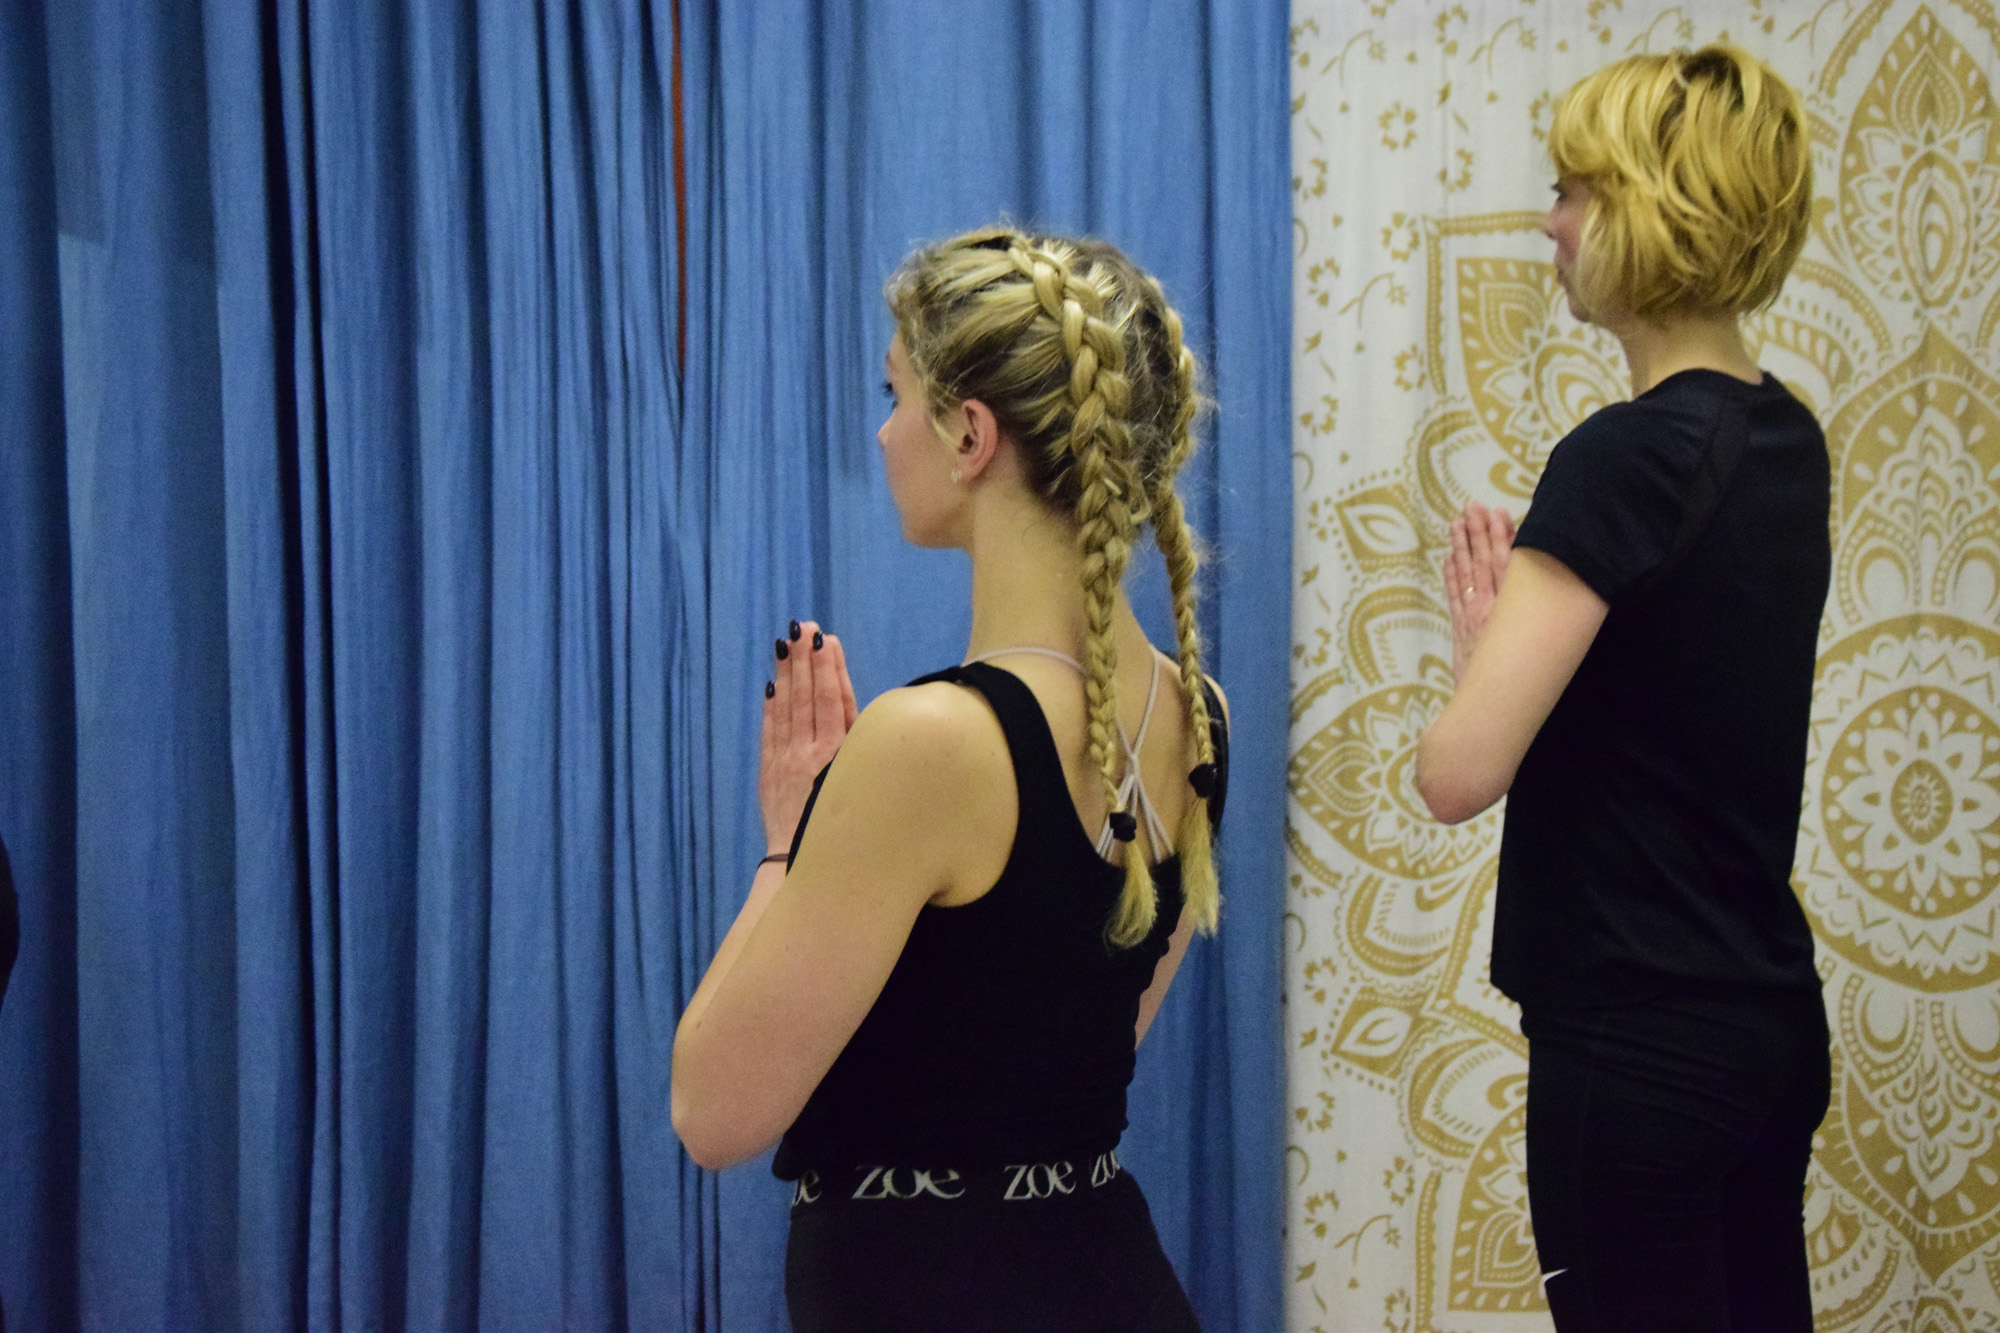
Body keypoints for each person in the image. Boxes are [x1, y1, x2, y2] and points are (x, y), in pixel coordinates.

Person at [671, 225, 1229, 1331]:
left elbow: (713, 1112)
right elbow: (1079, 1048)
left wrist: (787, 840)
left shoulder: (929, 742)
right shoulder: (1196, 717)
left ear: (971, 434)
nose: (884, 434)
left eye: (895, 395)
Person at [1415, 45, 1830, 1332]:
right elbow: (1669, 704)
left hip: (1635, 1051)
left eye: (1570, 191)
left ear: (1647, 210)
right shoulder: (1783, 437)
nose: (1549, 222)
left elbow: (1453, 774)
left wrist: (1479, 654)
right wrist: (1512, 647)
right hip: (1763, 1029)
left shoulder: (1620, 457)